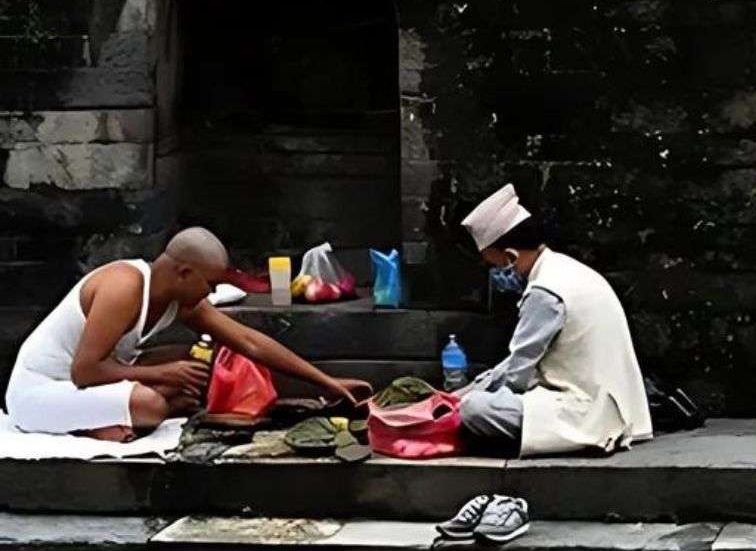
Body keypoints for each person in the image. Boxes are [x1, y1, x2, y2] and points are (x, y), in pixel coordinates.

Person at [4, 227, 370, 441]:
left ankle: (113, 415)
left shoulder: (180, 299)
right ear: (183, 273)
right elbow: (84, 372)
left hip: (90, 384)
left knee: (195, 362)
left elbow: (249, 341)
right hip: (40, 394)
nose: (211, 294)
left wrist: (327, 383)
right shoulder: (123, 287)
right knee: (152, 404)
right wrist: (158, 375)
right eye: (209, 284)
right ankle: (91, 427)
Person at [455, 183, 652, 457]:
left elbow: (517, 373)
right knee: (471, 398)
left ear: (511, 257)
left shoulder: (544, 293)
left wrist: (462, 400)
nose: (496, 273)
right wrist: (464, 390)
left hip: (586, 410)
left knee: (474, 409)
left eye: (496, 265)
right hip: (607, 402)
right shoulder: (564, 270)